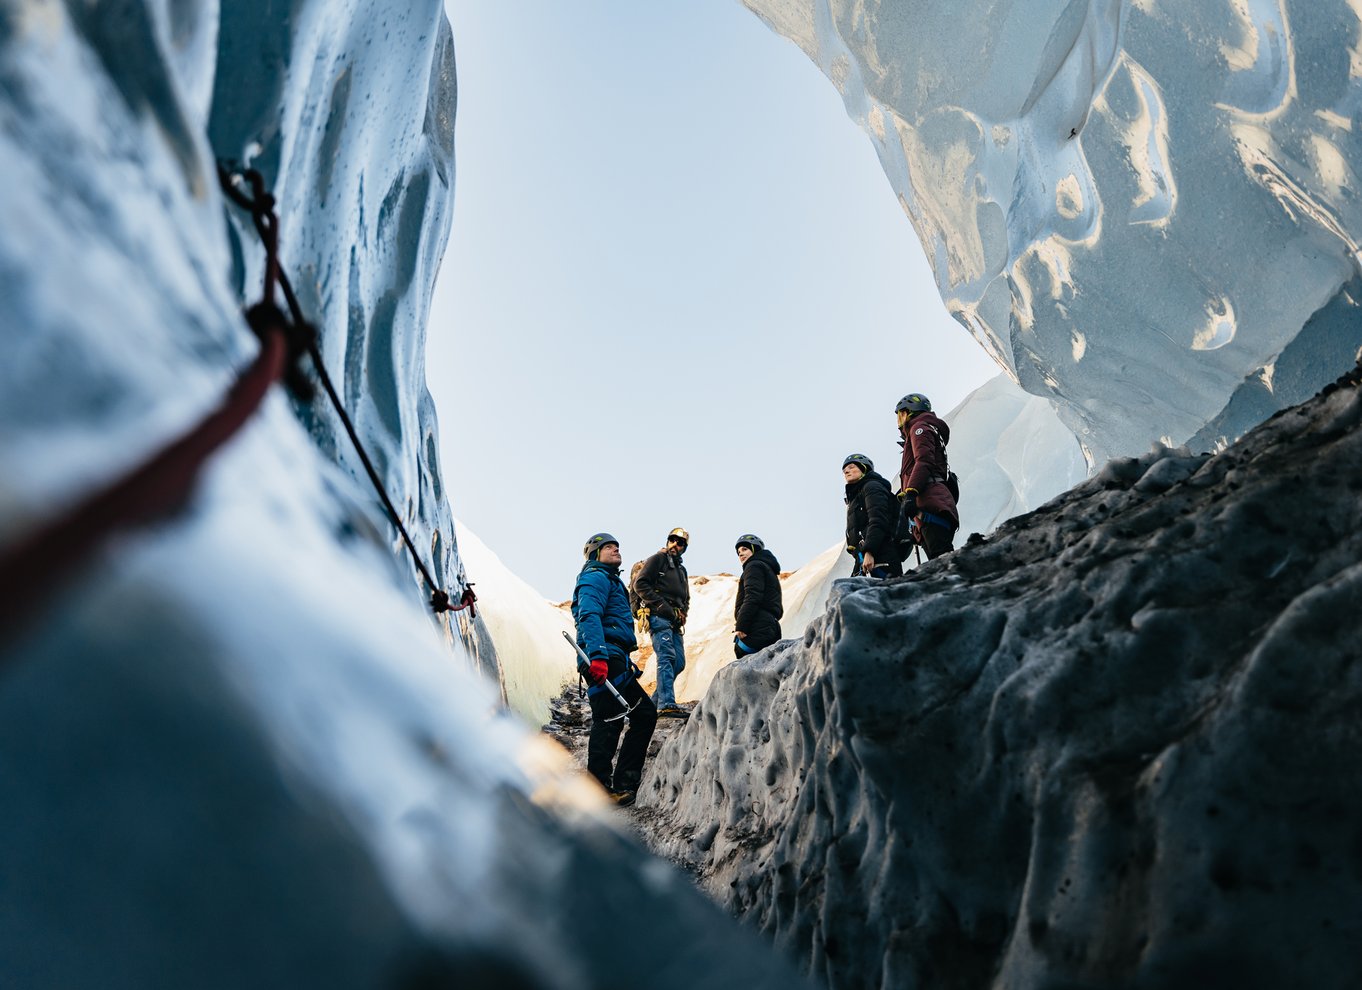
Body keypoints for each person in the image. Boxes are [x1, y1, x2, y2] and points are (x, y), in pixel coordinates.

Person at [572, 532, 656, 806]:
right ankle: (605, 788)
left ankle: (616, 785)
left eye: (617, 546)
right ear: (595, 553)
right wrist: (597, 656)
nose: (616, 549)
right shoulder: (595, 577)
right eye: (609, 547)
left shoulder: (608, 579)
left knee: (617, 717)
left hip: (612, 655)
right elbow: (589, 615)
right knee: (619, 718)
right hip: (604, 655)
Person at [632, 527, 691, 719]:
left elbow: (686, 597)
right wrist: (662, 606)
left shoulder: (681, 570)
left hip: (674, 621)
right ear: (667, 541)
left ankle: (651, 705)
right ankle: (666, 704)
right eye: (672, 539)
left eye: (680, 542)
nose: (675, 544)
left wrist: (683, 612)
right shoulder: (657, 560)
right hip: (659, 616)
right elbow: (640, 584)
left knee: (679, 662)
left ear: (684, 548)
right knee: (666, 657)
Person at [895, 393, 959, 559]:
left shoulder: (919, 428)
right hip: (934, 503)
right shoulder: (928, 429)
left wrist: (911, 492)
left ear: (909, 412)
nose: (898, 420)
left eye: (900, 414)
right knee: (942, 559)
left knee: (942, 562)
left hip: (930, 503)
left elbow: (924, 462)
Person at [843, 453, 902, 578]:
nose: (846, 471)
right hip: (863, 560)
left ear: (864, 468)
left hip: (881, 556)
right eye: (844, 470)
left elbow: (878, 519)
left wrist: (869, 551)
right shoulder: (855, 498)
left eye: (852, 467)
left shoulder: (872, 487)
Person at [733, 534, 783, 658]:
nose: (740, 554)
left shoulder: (754, 566)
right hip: (770, 627)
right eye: (738, 552)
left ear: (755, 549)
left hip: (757, 626)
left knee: (745, 666)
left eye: (745, 549)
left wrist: (741, 625)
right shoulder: (767, 568)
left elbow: (752, 597)